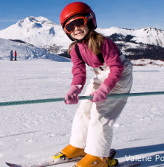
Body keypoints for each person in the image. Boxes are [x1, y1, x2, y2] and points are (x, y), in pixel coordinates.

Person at [53, 2, 133, 167]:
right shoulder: (75, 49)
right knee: (84, 108)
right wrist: (74, 90)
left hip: (119, 75)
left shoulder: (103, 42)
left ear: (89, 21)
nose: (76, 29)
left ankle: (99, 156)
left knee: (100, 114)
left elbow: (116, 68)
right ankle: (79, 145)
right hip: (101, 75)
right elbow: (79, 72)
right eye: (70, 27)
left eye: (79, 22)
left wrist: (105, 89)